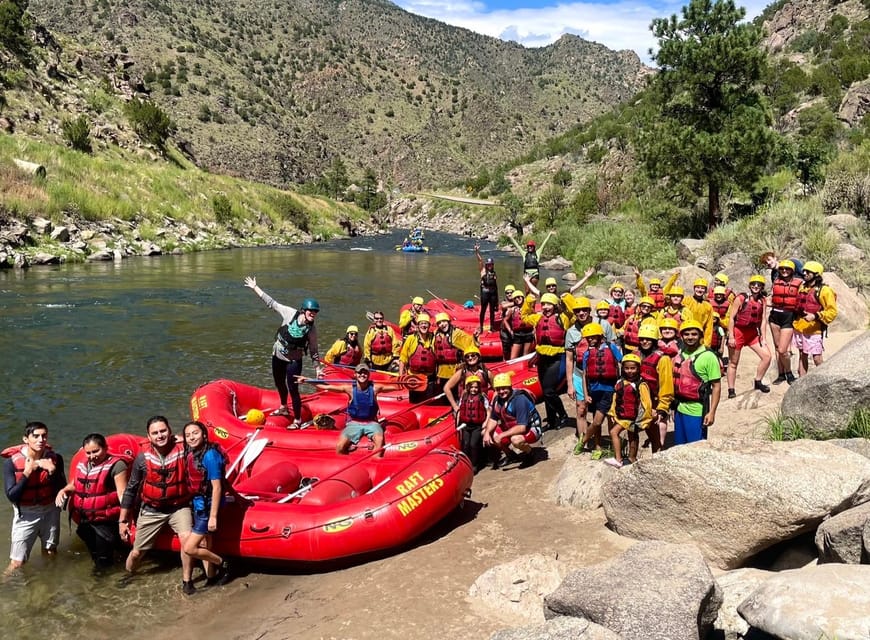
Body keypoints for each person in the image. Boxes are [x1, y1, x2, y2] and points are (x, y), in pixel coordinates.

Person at [119, 416, 195, 594]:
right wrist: (123, 520)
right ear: (148, 436)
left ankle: (187, 581)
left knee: (187, 540)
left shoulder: (184, 450)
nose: (160, 435)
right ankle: (129, 574)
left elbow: (204, 442)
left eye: (163, 431)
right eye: (155, 433)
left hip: (179, 506)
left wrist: (185, 437)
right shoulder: (142, 459)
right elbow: (131, 489)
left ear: (170, 431)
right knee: (137, 552)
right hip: (152, 509)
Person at [244, 276, 321, 426]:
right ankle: (284, 407)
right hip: (278, 354)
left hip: (293, 360)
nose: (313, 314)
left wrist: (317, 368)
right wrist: (255, 287)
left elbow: (314, 350)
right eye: (311, 312)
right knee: (279, 382)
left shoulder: (312, 330)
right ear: (303, 311)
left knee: (293, 388)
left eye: (315, 313)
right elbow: (271, 303)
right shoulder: (289, 313)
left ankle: (297, 419)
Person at [56, 433, 129, 569]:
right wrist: (64, 490)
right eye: (88, 453)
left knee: (103, 561)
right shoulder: (84, 464)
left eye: (96, 451)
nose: (92, 456)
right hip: (87, 520)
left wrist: (123, 521)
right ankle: (110, 572)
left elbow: (122, 494)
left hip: (106, 521)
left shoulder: (117, 466)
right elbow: (75, 484)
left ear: (106, 448)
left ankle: (101, 585)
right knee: (95, 555)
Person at [4, 421, 66, 574]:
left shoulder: (55, 458)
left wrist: (52, 471)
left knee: (51, 552)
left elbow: (62, 490)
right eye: (36, 436)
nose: (41, 440)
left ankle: (48, 583)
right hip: (26, 513)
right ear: (26, 439)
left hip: (50, 510)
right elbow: (12, 495)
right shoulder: (11, 463)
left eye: (44, 436)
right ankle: (4, 585)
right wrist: (26, 473)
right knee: (17, 562)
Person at [301, 363, 400, 455]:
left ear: (368, 375)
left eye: (365, 372)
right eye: (360, 373)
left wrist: (408, 383)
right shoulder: (349, 389)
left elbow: (397, 387)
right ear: (355, 375)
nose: (362, 375)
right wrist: (307, 380)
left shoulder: (375, 388)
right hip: (354, 423)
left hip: (372, 423)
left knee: (379, 444)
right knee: (340, 446)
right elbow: (325, 386)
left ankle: (375, 464)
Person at [181, 421, 231, 587]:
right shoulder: (193, 452)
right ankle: (211, 577)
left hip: (208, 507)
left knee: (189, 548)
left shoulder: (210, 456)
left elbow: (217, 488)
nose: (191, 438)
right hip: (199, 504)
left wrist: (213, 517)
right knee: (207, 541)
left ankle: (222, 563)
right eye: (187, 435)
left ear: (204, 434)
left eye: (195, 433)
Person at [522, 291, 572, 430]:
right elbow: (524, 317)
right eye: (543, 304)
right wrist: (529, 301)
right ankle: (551, 421)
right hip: (542, 357)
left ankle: (562, 415)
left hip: (557, 357)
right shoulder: (538, 318)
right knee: (545, 391)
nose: (545, 307)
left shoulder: (563, 318)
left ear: (555, 305)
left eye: (548, 304)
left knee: (549, 390)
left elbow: (572, 314)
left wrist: (566, 298)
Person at [672, 321, 721, 445]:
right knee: (679, 447)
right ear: (682, 336)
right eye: (686, 334)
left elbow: (716, 386)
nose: (690, 337)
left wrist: (712, 412)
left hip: (697, 411)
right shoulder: (682, 354)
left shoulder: (708, 357)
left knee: (695, 448)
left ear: (700, 336)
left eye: (694, 334)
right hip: (679, 408)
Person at [483, 373, 543, 469]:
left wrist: (502, 435)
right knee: (489, 434)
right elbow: (493, 419)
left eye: (504, 388)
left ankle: (530, 453)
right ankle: (511, 456)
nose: (501, 391)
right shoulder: (497, 400)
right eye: (498, 389)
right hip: (512, 427)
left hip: (531, 428)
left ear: (510, 386)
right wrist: (487, 433)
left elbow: (522, 427)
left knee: (515, 440)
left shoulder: (520, 400)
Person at [725, 275, 772, 399]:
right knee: (733, 362)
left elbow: (763, 320)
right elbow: (731, 318)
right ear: (750, 285)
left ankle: (758, 381)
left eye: (759, 285)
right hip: (738, 331)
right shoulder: (741, 298)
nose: (756, 286)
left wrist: (763, 338)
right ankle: (731, 389)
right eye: (753, 284)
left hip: (752, 333)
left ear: (762, 287)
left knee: (767, 357)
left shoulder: (763, 300)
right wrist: (731, 336)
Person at [605, 354, 654, 468]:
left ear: (638, 369)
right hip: (622, 415)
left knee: (614, 432)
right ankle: (631, 458)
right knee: (632, 436)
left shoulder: (640, 385)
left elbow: (646, 403)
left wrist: (645, 419)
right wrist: (612, 412)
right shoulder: (620, 383)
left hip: (632, 416)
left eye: (633, 368)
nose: (629, 371)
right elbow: (615, 399)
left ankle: (619, 459)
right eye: (627, 368)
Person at [579, 323, 623, 452]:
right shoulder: (587, 353)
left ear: (599, 336)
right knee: (595, 419)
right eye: (588, 338)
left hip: (609, 390)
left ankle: (586, 441)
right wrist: (586, 395)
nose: (590, 340)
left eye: (593, 337)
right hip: (594, 390)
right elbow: (584, 376)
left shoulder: (611, 347)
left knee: (607, 418)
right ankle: (598, 446)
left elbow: (622, 362)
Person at [793, 261, 838, 377]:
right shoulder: (802, 287)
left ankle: (824, 380)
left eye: (808, 272)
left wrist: (815, 315)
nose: (805, 273)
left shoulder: (824, 291)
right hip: (799, 327)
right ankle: (801, 381)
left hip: (814, 330)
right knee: (802, 354)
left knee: (817, 358)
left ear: (816, 274)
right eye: (804, 271)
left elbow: (832, 312)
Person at [563, 295, 597, 450]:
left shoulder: (601, 325)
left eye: (584, 310)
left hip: (598, 375)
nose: (581, 313)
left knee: (598, 410)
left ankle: (597, 443)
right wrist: (569, 384)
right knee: (581, 408)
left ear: (589, 311)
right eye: (578, 311)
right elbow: (569, 359)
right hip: (579, 373)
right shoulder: (571, 332)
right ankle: (582, 441)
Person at [636, 324, 673, 451]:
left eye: (648, 339)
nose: (644, 341)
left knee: (655, 436)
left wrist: (662, 408)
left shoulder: (663, 359)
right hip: (639, 401)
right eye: (642, 339)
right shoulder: (635, 356)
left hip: (655, 402)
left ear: (654, 340)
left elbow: (666, 385)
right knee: (640, 431)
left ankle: (657, 457)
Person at [768, 260, 802, 385]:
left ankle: (789, 372)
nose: (784, 271)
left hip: (789, 316)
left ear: (792, 271)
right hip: (775, 316)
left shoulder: (799, 283)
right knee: (777, 348)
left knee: (783, 349)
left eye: (787, 269)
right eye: (782, 269)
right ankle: (781, 374)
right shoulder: (776, 282)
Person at [399, 313, 438, 402]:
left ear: (429, 325)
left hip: (429, 379)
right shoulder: (410, 339)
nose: (424, 325)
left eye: (426, 323)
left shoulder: (434, 339)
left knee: (428, 403)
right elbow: (403, 358)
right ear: (418, 326)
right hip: (414, 378)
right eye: (421, 323)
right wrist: (401, 377)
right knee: (414, 402)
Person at [456, 374, 491, 473]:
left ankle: (475, 464)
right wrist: (457, 424)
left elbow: (488, 411)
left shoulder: (482, 397)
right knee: (465, 444)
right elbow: (460, 410)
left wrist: (485, 422)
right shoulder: (464, 396)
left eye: (476, 387)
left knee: (473, 444)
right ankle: (467, 464)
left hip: (477, 425)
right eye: (471, 387)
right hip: (465, 425)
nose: (474, 389)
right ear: (467, 387)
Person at [433, 312, 475, 391]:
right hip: (441, 372)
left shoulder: (457, 333)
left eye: (444, 321)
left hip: (456, 370)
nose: (442, 324)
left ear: (448, 321)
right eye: (439, 323)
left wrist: (475, 338)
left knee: (455, 392)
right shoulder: (435, 334)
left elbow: (470, 343)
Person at [443, 345, 491, 413]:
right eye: (467, 356)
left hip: (481, 407)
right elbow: (446, 388)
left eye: (473, 355)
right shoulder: (462, 372)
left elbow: (497, 389)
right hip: (465, 407)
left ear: (478, 356)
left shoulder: (486, 373)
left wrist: (492, 405)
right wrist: (455, 406)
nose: (470, 358)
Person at [503, 289, 535, 359]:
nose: (517, 299)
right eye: (515, 298)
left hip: (528, 334)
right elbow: (505, 320)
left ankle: (525, 368)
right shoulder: (512, 309)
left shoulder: (529, 309)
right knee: (513, 358)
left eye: (519, 297)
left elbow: (535, 319)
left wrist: (534, 330)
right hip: (517, 335)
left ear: (523, 297)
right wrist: (510, 331)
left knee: (526, 356)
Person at [683, 278, 714, 347]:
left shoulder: (708, 306)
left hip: (699, 335)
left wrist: (707, 343)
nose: (700, 290)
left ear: (705, 290)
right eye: (697, 287)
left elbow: (709, 326)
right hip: (685, 332)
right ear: (694, 288)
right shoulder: (686, 301)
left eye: (702, 288)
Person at [475, 245, 499, 332]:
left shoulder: (494, 273)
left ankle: (492, 327)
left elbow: (496, 286)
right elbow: (480, 260)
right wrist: (477, 251)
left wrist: (497, 300)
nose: (490, 266)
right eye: (488, 264)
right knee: (483, 309)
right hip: (485, 292)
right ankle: (481, 327)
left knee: (492, 310)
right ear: (486, 265)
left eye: (491, 264)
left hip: (492, 293)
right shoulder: (483, 271)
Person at [499, 285, 517, 359]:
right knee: (506, 351)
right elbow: (503, 306)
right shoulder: (504, 302)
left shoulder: (518, 302)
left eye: (511, 292)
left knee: (514, 349)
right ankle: (505, 362)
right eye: (507, 293)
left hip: (515, 329)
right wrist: (517, 302)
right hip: (505, 331)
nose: (509, 294)